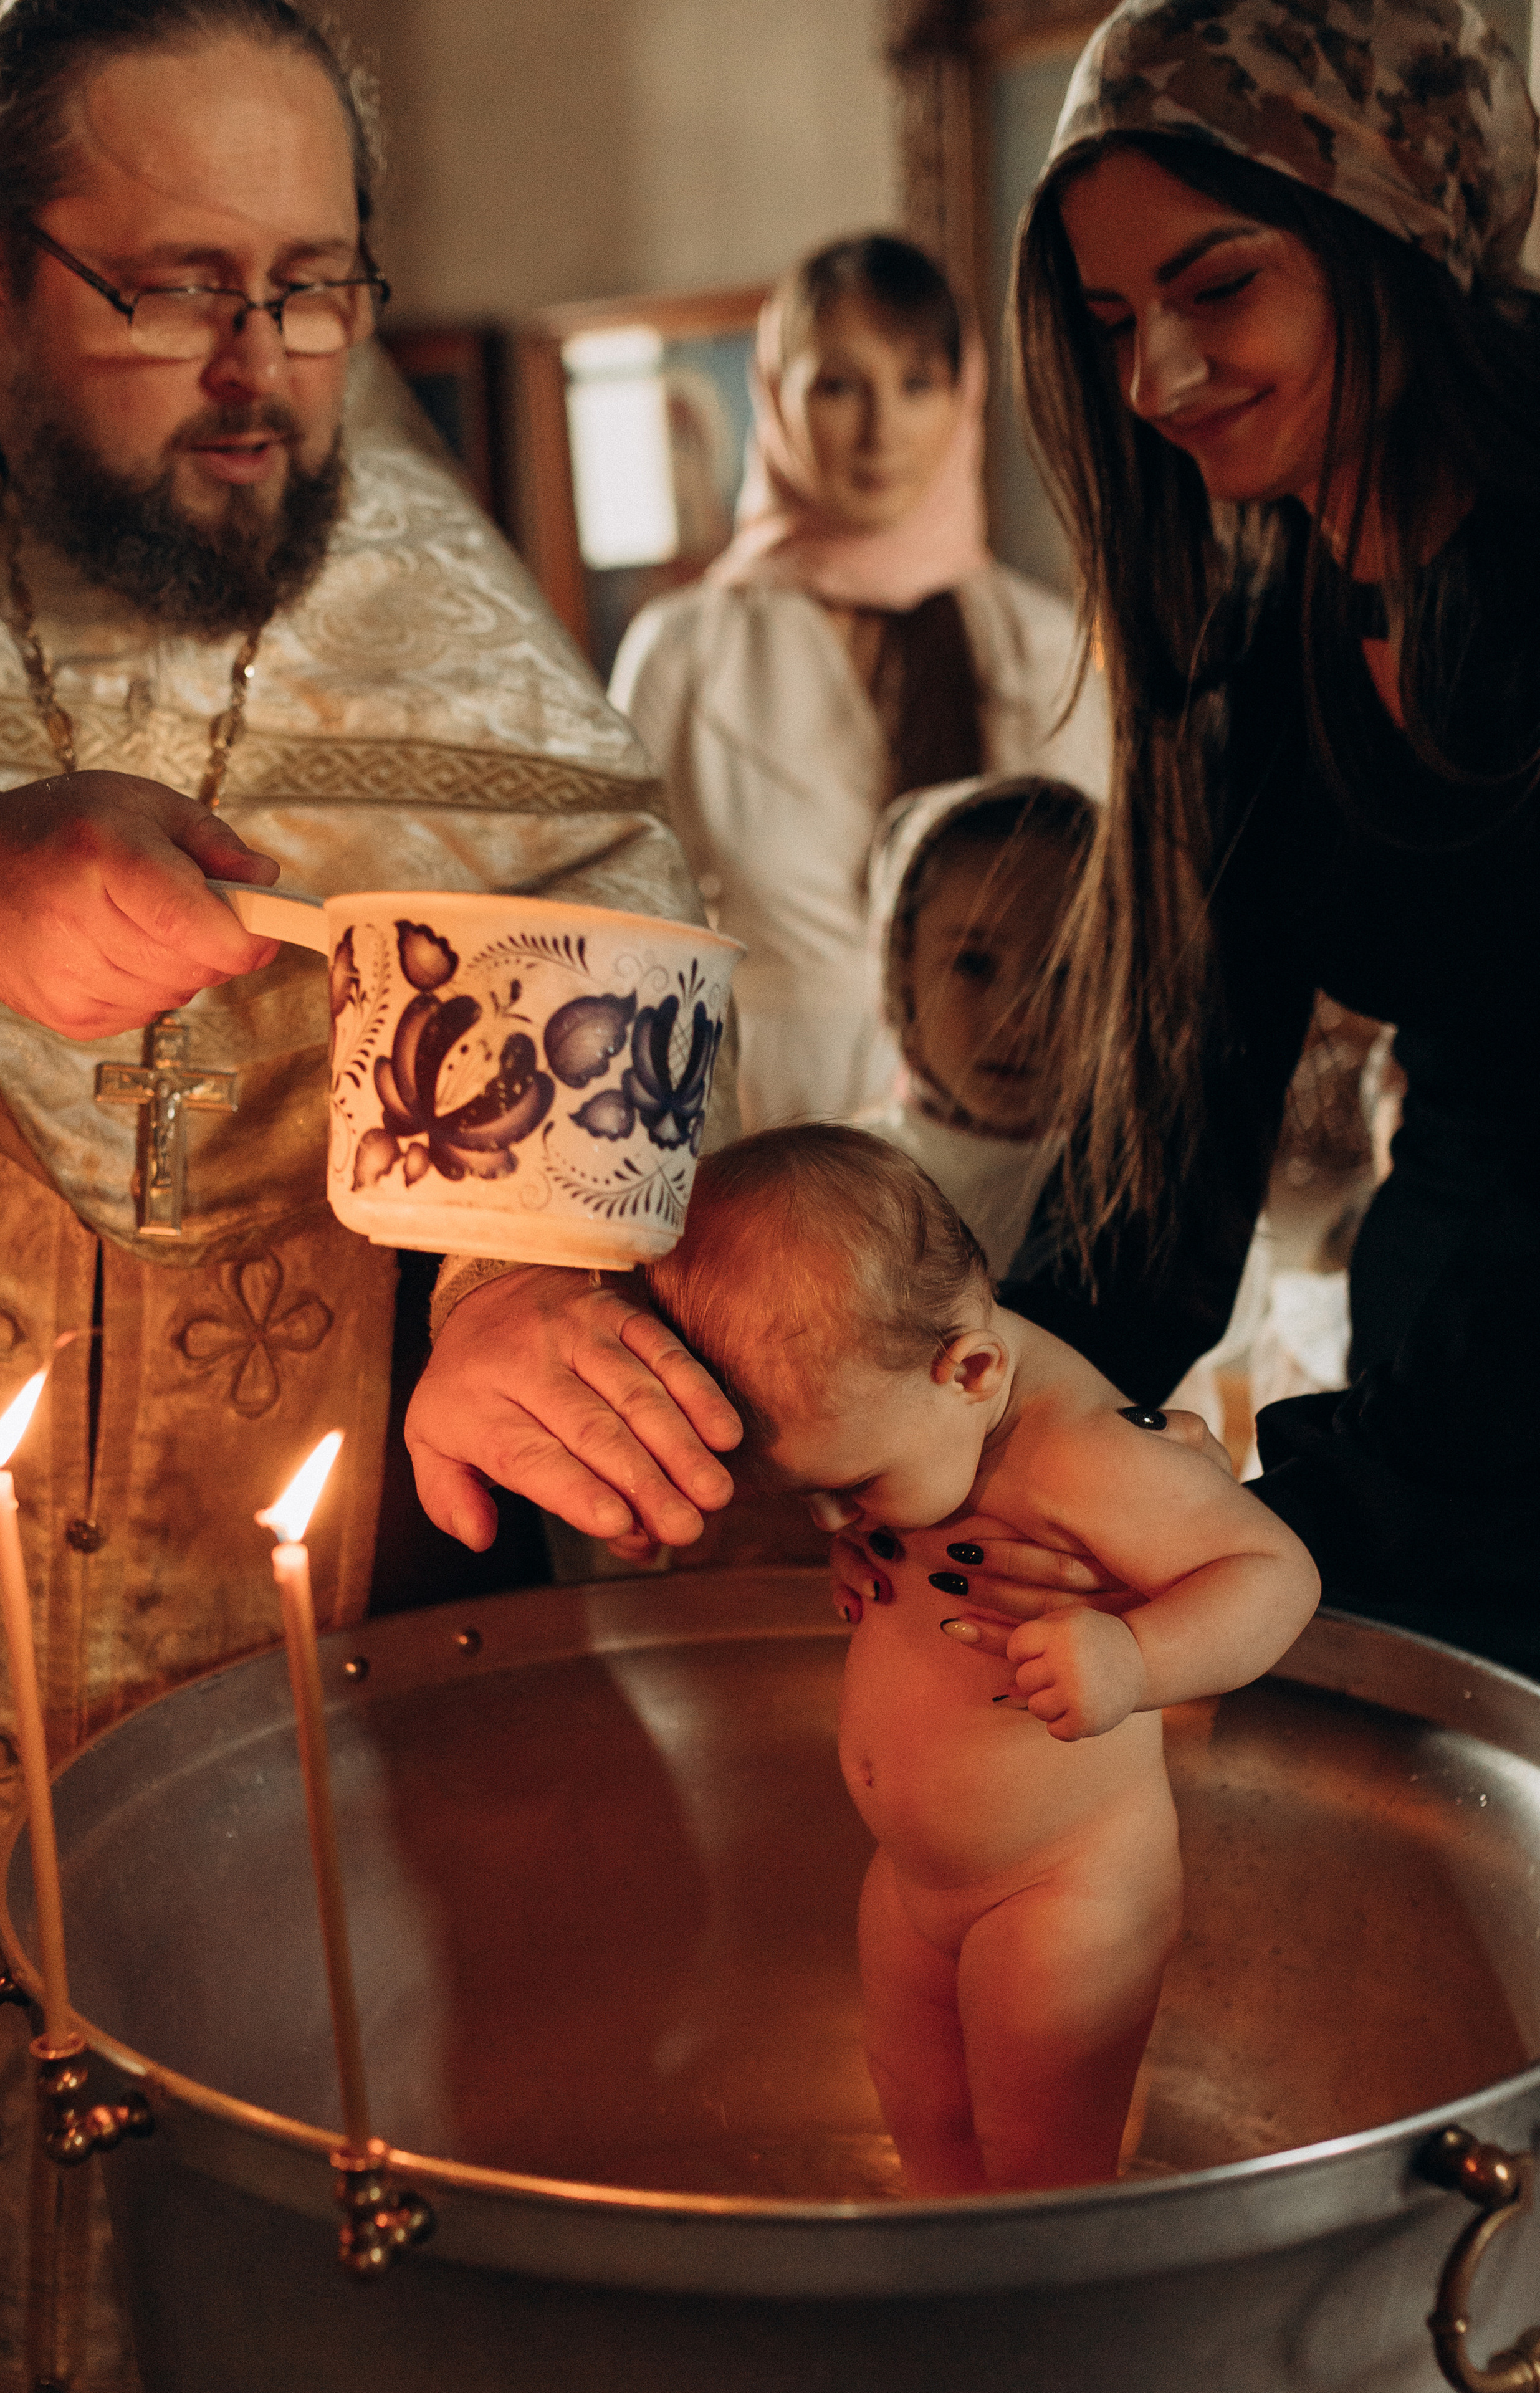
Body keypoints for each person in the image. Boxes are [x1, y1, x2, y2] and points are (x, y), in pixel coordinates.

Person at [0, 2, 729, 2377]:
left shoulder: (445, 615)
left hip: (265, 1737)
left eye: (313, 284)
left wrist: (504, 1278)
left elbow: (600, 966)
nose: (258, 367)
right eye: (172, 284)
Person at [830, 0, 1540, 1681]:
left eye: (1217, 288)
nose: (1152, 378)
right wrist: (946, 1427)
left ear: (1401, 224)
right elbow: (1166, 1176)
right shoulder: (1252, 665)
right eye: (1108, 319)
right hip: (1442, 1426)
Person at [644, 1126, 1318, 2191]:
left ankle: (1047, 2335)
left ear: (971, 1368)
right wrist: (865, 1548)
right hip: (914, 1879)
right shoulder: (917, 1406)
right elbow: (897, 1536)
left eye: (853, 1486)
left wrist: (1134, 1658)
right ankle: (954, 2306)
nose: (830, 1514)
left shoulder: (1087, 1458)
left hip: (1063, 1892)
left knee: (1044, 2167)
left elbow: (1276, 1575)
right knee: (922, 2121)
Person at [606, 233, 1109, 1134]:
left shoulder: (1043, 644)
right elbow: (614, 939)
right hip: (766, 1133)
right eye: (839, 386)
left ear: (966, 395)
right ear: (776, 398)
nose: (882, 429)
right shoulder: (687, 649)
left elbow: (1105, 922)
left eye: (918, 383)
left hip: (1011, 1135)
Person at [859, 772, 1096, 1279]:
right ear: (901, 968)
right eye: (973, 964)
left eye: (1065, 972)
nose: (1022, 1019)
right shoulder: (847, 1190)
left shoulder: (1143, 1193)